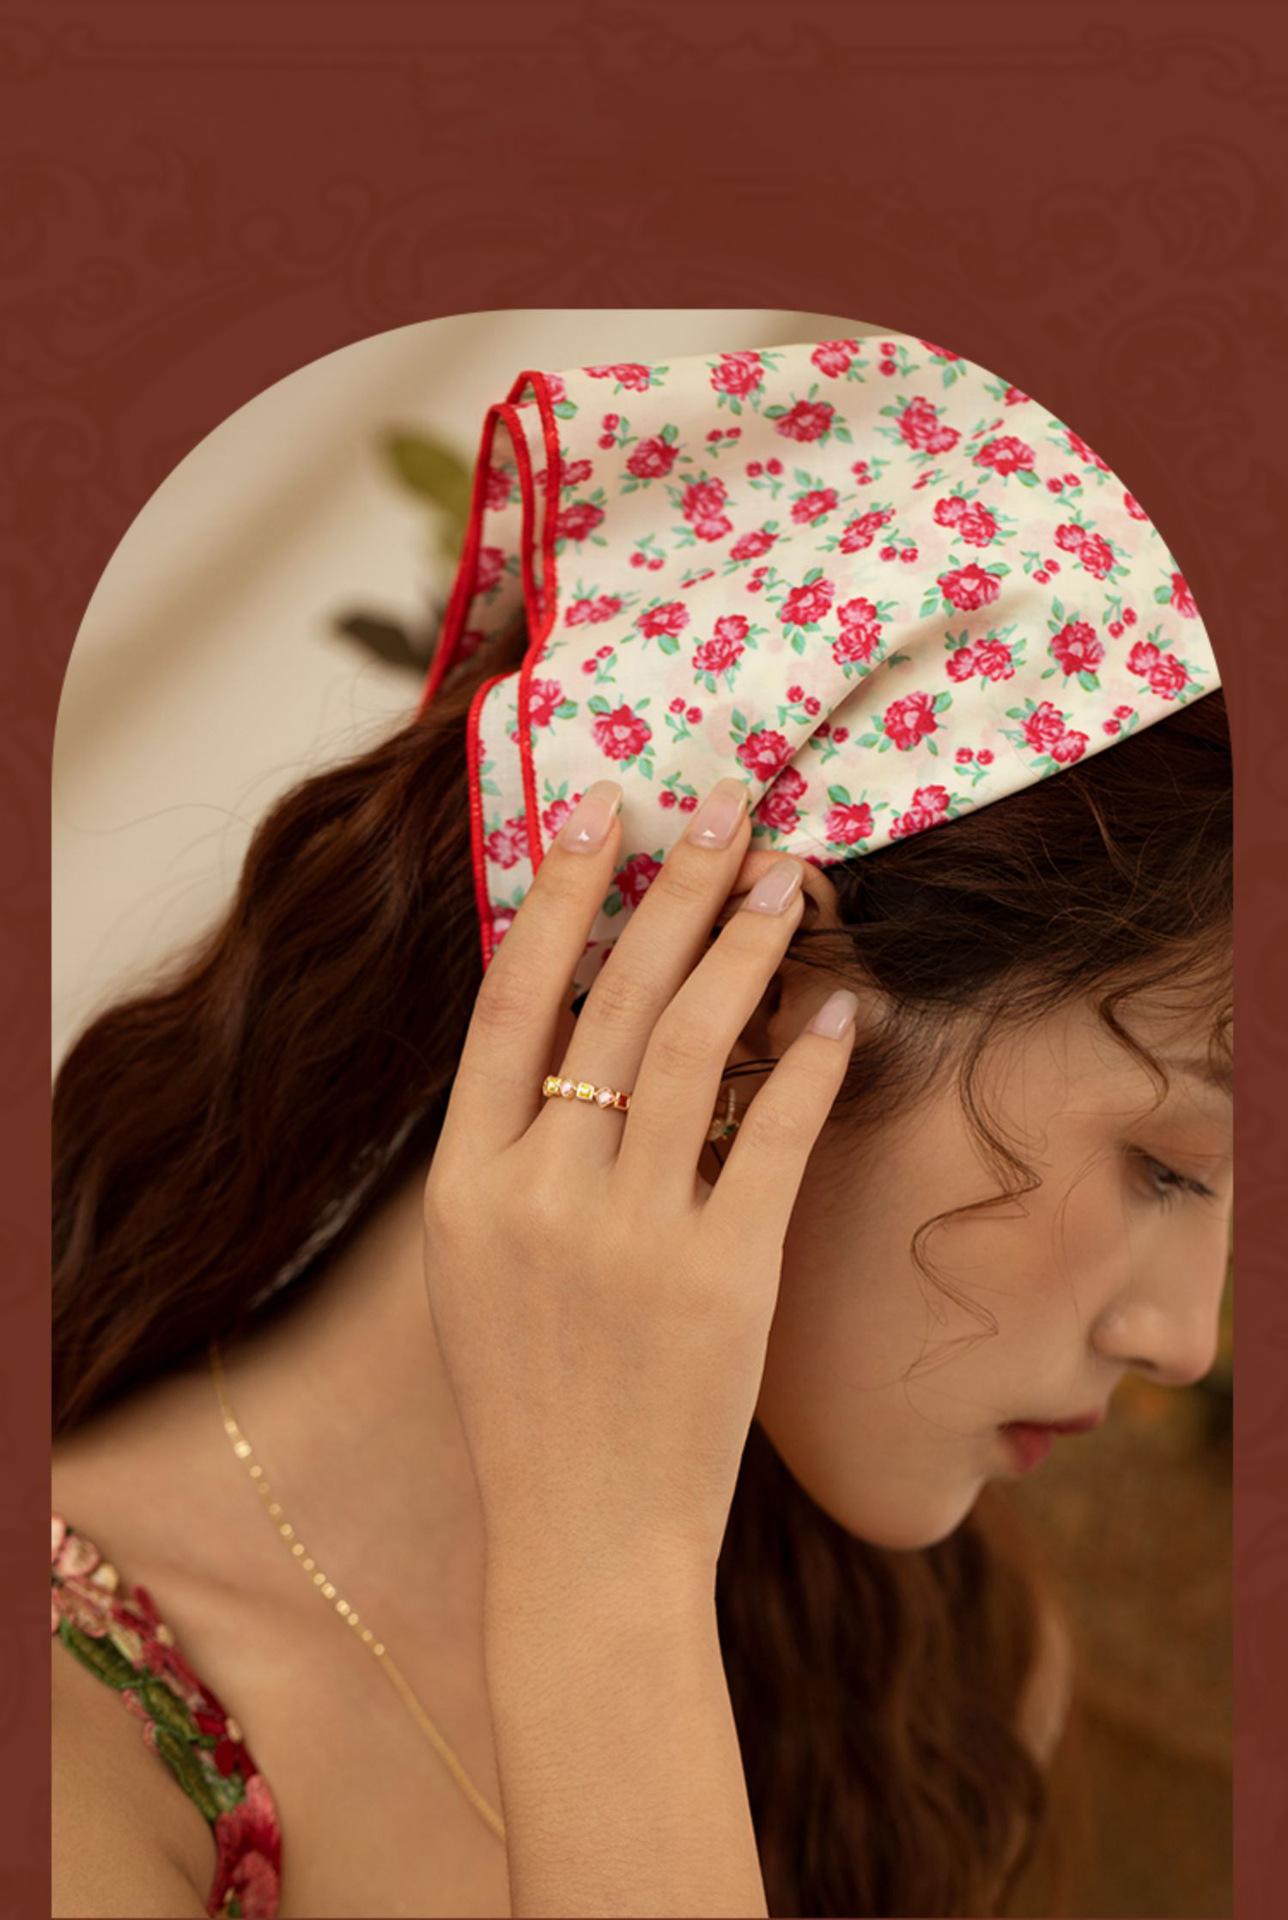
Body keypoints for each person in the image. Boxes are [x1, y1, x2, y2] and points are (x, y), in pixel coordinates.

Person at [51, 334, 1231, 1919]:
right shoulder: (77, 1754)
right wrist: (605, 1580)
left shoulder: (929, 1691)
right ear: (742, 991)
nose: (1187, 1339)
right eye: (1167, 1166)